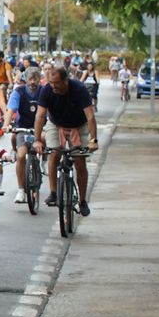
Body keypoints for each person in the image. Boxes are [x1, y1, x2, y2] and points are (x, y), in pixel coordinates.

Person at [33, 66, 99, 217]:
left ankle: (82, 201)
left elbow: (90, 116)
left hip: (78, 125)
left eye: (56, 83)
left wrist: (93, 140)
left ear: (65, 80)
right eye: (51, 83)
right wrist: (37, 140)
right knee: (54, 153)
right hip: (56, 124)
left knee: (79, 161)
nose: (53, 86)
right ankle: (54, 193)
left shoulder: (79, 89)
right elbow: (40, 116)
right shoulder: (47, 90)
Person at [9, 66, 43, 203]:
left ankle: (44, 161)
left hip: (40, 128)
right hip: (23, 127)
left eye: (35, 79)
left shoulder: (44, 91)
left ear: (39, 79)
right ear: (26, 80)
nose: (33, 82)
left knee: (48, 142)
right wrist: (6, 124)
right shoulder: (19, 92)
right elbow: (11, 109)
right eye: (30, 79)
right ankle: (21, 189)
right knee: (21, 155)